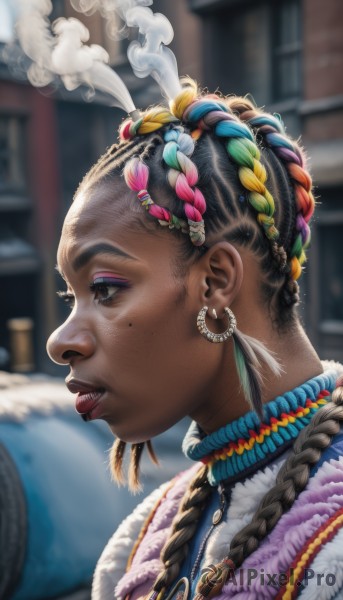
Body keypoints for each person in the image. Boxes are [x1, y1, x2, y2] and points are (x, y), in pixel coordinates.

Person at [47, 78, 343, 600]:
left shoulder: (331, 550)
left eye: (105, 289)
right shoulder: (141, 542)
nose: (60, 341)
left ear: (216, 282)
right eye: (73, 298)